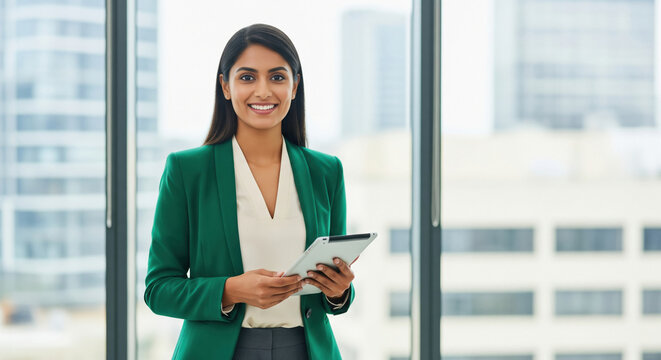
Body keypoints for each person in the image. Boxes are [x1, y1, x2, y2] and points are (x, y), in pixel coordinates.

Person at [144, 23, 356, 360]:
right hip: (218, 352)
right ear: (225, 86)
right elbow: (158, 289)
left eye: (277, 77)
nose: (263, 91)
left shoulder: (326, 171)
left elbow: (334, 293)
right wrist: (230, 290)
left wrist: (338, 292)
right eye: (247, 77)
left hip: (305, 350)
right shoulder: (187, 171)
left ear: (295, 85)